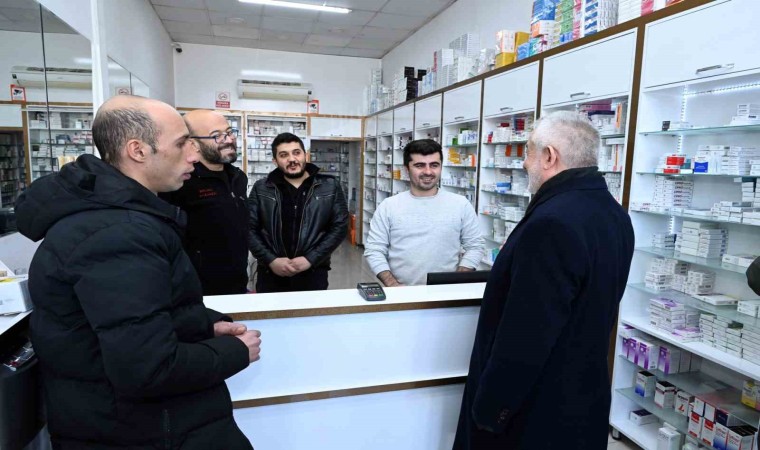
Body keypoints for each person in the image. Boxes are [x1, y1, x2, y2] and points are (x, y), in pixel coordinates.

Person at [15, 96, 260, 450]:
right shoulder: (117, 234)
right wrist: (235, 352)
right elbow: (148, 367)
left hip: (138, 422)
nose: (193, 156)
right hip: (141, 430)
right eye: (181, 143)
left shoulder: (121, 218)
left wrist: (202, 325)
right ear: (138, 150)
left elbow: (135, 316)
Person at [453, 111, 634, 450]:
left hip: (537, 410)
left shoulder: (552, 222)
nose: (524, 163)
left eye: (528, 152)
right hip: (584, 396)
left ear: (550, 156)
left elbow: (526, 334)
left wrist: (491, 410)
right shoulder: (614, 214)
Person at [363, 139, 484, 286]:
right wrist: (393, 285)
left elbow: (475, 246)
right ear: (407, 169)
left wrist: (456, 280)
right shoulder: (389, 206)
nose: (428, 172)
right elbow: (374, 250)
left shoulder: (460, 204)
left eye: (434, 165)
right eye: (419, 165)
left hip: (447, 293)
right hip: (403, 293)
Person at [161, 109, 249, 295]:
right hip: (198, 292)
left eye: (229, 132)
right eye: (216, 136)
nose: (229, 140)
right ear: (194, 144)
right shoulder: (181, 183)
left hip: (237, 286)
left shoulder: (238, 177)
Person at [248, 132, 348, 292]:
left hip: (313, 273)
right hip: (270, 274)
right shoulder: (262, 188)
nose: (292, 159)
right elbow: (249, 228)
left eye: (296, 152)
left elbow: (340, 227)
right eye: (284, 155)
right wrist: (271, 260)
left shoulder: (329, 186)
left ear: (305, 155)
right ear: (275, 161)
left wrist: (310, 259)